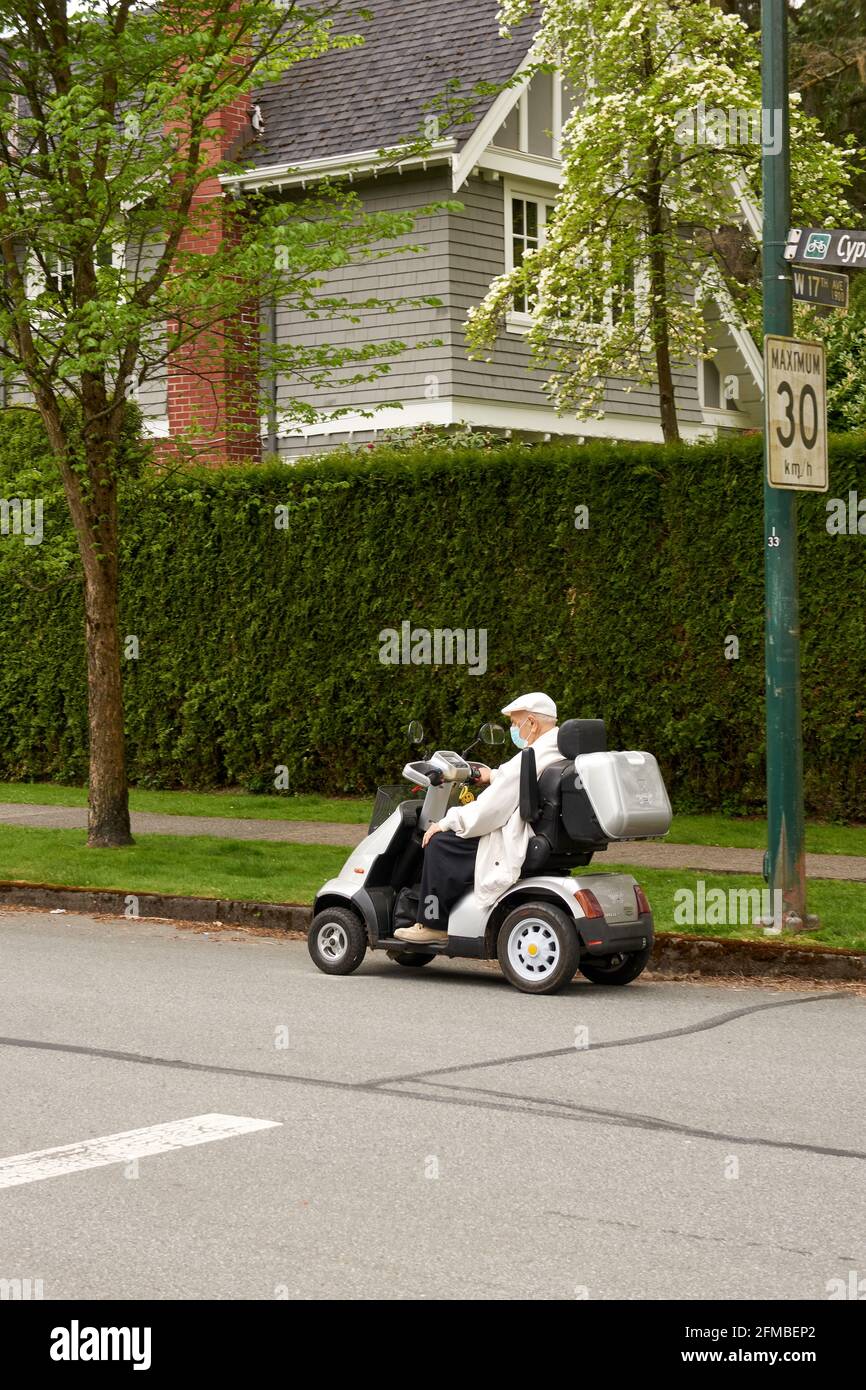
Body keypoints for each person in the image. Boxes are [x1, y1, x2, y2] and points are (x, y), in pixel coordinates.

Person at [394, 692, 563, 944]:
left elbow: (488, 811)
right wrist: (491, 775)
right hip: (543, 831)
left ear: (532, 723)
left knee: (439, 843)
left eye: (516, 724)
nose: (514, 729)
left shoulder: (533, 755)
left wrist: (445, 822)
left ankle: (432, 923)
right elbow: (515, 781)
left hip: (514, 835)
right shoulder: (556, 747)